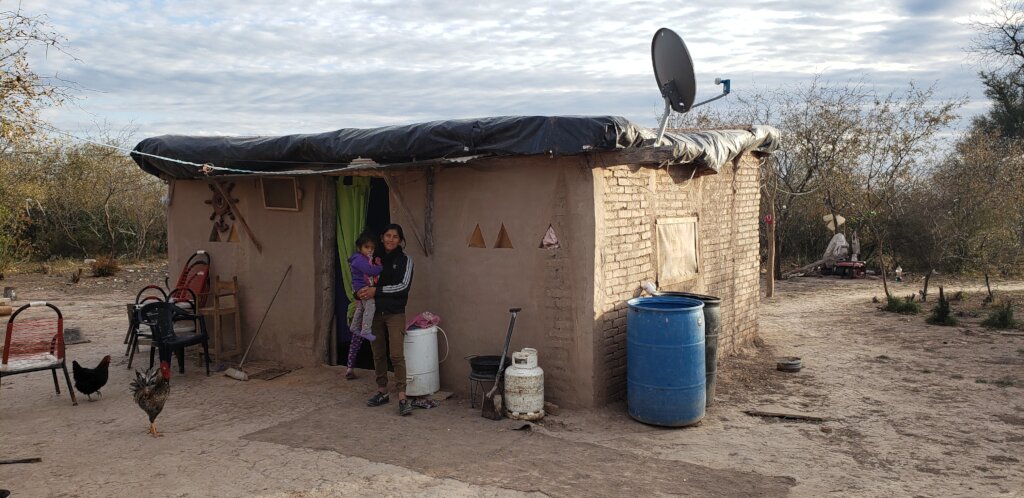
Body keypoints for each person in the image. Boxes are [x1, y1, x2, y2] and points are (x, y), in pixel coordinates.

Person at [356, 224, 415, 416]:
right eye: (388, 235)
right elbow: (361, 277)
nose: (391, 239)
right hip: (373, 312)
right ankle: (382, 391)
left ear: (400, 240)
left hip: (395, 313)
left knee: (396, 355)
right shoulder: (372, 258)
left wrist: (377, 290)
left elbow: (403, 287)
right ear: (382, 238)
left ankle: (402, 396)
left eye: (395, 236)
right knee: (378, 353)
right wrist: (359, 292)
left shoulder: (405, 260)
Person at [344, 233, 382, 380]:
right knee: (358, 338)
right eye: (367, 247)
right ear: (359, 248)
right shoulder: (362, 261)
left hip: (366, 302)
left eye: (372, 248)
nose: (370, 250)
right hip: (364, 300)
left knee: (361, 337)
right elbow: (369, 275)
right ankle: (350, 367)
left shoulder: (371, 261)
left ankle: (351, 368)